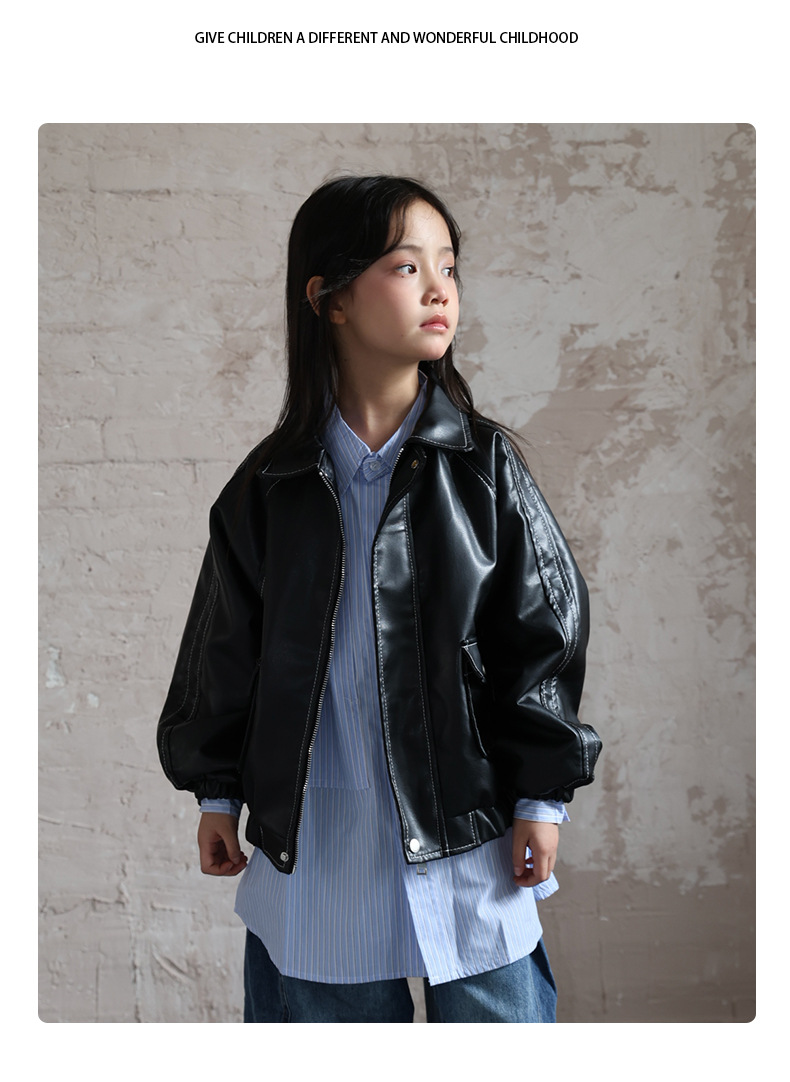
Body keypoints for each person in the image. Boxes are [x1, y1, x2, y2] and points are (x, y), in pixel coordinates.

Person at [157, 175, 601, 1023]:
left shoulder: (485, 469)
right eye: (406, 266)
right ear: (328, 298)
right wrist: (217, 793)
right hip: (316, 838)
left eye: (449, 267)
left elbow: (543, 639)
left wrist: (542, 799)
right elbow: (224, 648)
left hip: (466, 828)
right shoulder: (268, 486)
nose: (440, 289)